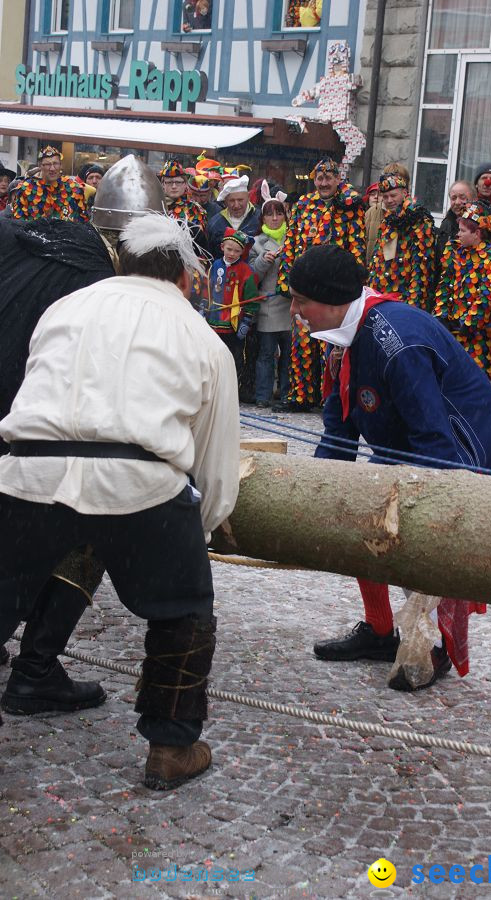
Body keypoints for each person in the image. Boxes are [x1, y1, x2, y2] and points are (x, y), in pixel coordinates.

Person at [0, 213, 239, 789]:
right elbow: (214, 468)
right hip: (140, 483)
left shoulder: (66, 308)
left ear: (121, 262)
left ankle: (36, 667)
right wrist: (194, 536)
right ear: (185, 277)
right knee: (184, 611)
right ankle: (171, 748)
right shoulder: (201, 337)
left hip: (26, 471)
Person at [287, 244, 491, 691]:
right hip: (409, 440)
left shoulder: (397, 341)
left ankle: (430, 644)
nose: (295, 310)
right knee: (360, 506)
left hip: (461, 449)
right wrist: (317, 492)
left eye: (301, 300)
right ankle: (379, 632)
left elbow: (434, 441)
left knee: (421, 535)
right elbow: (338, 429)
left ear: (333, 300)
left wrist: (422, 502)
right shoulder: (342, 336)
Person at [0, 154, 168, 712]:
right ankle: (36, 670)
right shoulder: (101, 282)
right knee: (88, 529)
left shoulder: (34, 239)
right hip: (34, 433)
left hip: (13, 422)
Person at [277, 156, 366, 411]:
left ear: (339, 179)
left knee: (331, 340)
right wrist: (286, 279)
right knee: (302, 340)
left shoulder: (349, 205)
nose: (324, 182)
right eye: (319, 178)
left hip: (333, 284)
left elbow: (357, 242)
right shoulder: (304, 204)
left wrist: (355, 279)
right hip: (305, 282)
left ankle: (331, 395)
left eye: (329, 177)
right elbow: (291, 240)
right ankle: (301, 396)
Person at [433, 202, 491, 384]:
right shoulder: (456, 252)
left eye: (462, 231)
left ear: (477, 233)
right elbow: (444, 285)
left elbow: (485, 295)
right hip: (452, 331)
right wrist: (441, 315)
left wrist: (469, 324)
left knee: (476, 381)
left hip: (478, 336)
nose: (457, 234)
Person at [249, 185, 292, 408]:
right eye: (269, 214)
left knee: (289, 355)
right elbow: (252, 276)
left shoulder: (295, 237)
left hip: (291, 305)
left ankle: (287, 394)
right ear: (263, 218)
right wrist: (263, 261)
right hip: (268, 304)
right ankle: (263, 395)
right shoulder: (256, 242)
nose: (275, 218)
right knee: (266, 354)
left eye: (278, 213)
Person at [367, 171, 435, 309]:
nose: (389, 200)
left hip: (403, 301)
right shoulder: (388, 219)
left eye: (393, 195)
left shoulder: (418, 219)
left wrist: (412, 306)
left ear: (405, 193)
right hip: (381, 297)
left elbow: (421, 268)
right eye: (385, 197)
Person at [205, 227, 260, 386]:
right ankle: (212, 385)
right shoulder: (215, 265)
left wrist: (247, 319)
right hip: (214, 319)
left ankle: (232, 387)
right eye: (229, 249)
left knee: (233, 356)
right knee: (213, 355)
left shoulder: (246, 271)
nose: (232, 254)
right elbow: (206, 288)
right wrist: (203, 307)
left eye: (237, 251)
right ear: (222, 247)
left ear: (242, 252)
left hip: (233, 322)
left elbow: (251, 298)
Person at [12, 146, 89, 222]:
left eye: (55, 163)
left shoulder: (74, 189)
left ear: (61, 165)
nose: (52, 168)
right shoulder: (25, 190)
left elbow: (83, 223)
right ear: (40, 166)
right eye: (47, 164)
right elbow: (18, 225)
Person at [207, 174, 260, 259]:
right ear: (225, 202)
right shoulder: (215, 223)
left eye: (240, 200)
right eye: (231, 201)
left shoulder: (259, 219)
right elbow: (209, 255)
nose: (236, 205)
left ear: (248, 198)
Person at [159, 159, 207, 247]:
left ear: (185, 184)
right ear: (163, 184)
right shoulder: (155, 205)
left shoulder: (194, 209)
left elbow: (198, 243)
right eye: (169, 182)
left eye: (178, 182)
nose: (174, 186)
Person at [434, 180, 476, 278]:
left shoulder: (484, 224)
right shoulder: (446, 224)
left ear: (474, 199)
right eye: (453, 198)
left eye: (462, 197)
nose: (457, 202)